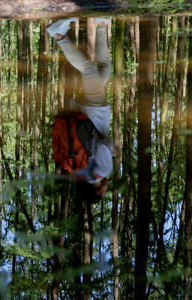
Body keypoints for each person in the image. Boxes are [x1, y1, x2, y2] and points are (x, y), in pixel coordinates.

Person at [47, 17, 115, 197]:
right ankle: (101, 24)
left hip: (95, 111)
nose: (107, 190)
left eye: (104, 193)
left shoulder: (103, 171)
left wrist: (113, 149)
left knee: (89, 69)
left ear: (99, 191)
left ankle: (59, 35)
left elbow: (104, 145)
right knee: (104, 70)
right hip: (84, 114)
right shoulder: (80, 171)